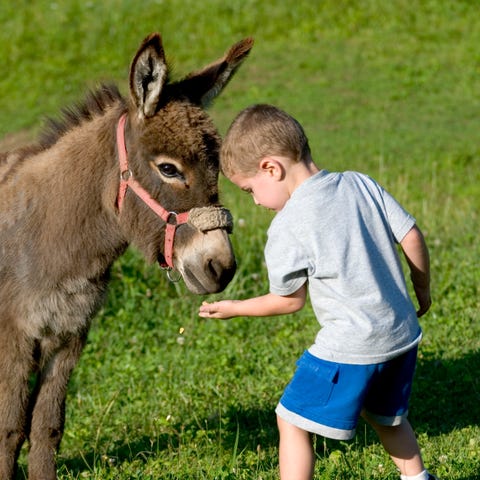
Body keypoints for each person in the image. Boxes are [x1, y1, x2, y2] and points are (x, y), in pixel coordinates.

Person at [198, 104, 437, 480]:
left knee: (290, 420)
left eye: (249, 190)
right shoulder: (361, 183)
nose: (256, 202)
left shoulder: (287, 226)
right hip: (402, 335)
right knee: (387, 417)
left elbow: (288, 301)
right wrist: (421, 288)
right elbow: (411, 235)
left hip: (353, 346)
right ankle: (417, 478)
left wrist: (235, 307)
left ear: (271, 168)